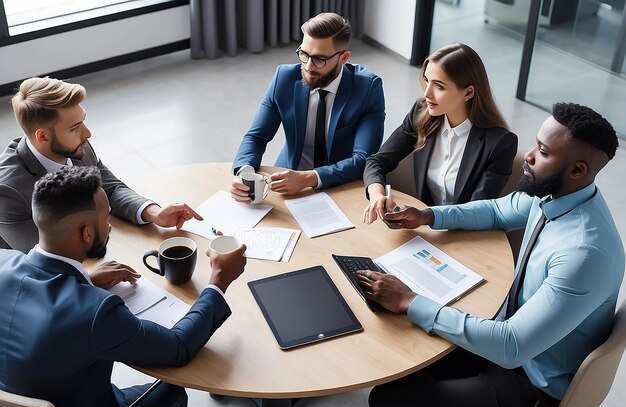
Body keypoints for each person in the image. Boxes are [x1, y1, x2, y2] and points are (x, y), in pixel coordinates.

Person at [358, 103, 624, 407]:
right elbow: (498, 211)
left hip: (529, 383)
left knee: (388, 400)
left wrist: (409, 300)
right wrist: (427, 215)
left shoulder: (585, 253)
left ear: (577, 170)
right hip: (508, 342)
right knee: (400, 355)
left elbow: (510, 346)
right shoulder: (555, 191)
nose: (528, 156)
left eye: (542, 151)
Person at [0, 166, 247, 407]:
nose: (110, 227)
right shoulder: (95, 311)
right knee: (172, 392)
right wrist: (218, 280)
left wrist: (85, 279)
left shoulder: (3, 261)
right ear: (86, 233)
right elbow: (178, 347)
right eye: (106, 219)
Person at [0, 76, 203, 257]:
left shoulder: (77, 146)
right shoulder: (8, 191)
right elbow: (45, 258)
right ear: (42, 136)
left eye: (83, 121)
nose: (87, 134)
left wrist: (153, 212)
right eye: (74, 128)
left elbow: (109, 187)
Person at [230, 12, 385, 200]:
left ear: (344, 58)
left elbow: (363, 159)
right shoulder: (284, 78)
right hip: (287, 178)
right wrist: (243, 174)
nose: (308, 66)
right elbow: (256, 137)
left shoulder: (368, 88)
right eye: (304, 54)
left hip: (341, 184)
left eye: (320, 59)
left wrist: (308, 178)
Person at [362, 43, 517, 225]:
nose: (427, 93)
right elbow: (377, 161)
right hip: (424, 230)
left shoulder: (500, 144)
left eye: (439, 86)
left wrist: (424, 218)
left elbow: (476, 213)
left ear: (468, 92)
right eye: (427, 81)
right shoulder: (421, 115)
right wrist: (377, 195)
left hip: (468, 237)